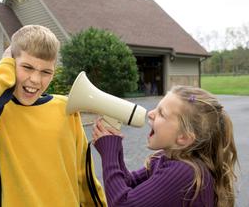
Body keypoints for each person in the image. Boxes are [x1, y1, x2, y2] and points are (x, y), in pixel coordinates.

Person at [0, 25, 106, 207]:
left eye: (46, 72)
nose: (35, 79)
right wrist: (3, 70)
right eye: (27, 67)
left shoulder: (65, 109)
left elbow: (85, 177)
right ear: (10, 63)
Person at [92, 85, 238, 207]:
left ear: (184, 137)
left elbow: (123, 204)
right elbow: (129, 183)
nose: (150, 113)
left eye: (162, 113)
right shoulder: (165, 158)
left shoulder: (184, 172)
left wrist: (108, 154)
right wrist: (115, 149)